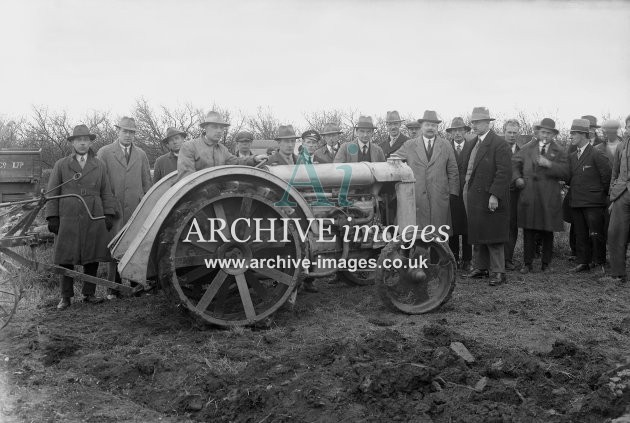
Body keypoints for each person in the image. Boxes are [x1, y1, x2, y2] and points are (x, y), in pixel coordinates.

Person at [46, 125, 117, 310]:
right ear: (72, 142)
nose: (83, 143)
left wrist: (108, 213)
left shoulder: (99, 164)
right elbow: (52, 191)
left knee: (92, 254)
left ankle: (89, 294)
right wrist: (52, 216)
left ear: (91, 142)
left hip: (93, 213)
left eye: (86, 139)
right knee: (66, 256)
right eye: (79, 140)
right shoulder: (61, 164)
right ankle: (66, 296)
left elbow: (106, 191)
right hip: (68, 214)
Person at [97, 116, 152, 298]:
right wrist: (106, 206)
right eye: (125, 131)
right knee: (115, 245)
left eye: (132, 132)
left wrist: (146, 204)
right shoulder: (105, 152)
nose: (128, 135)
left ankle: (137, 285)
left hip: (137, 208)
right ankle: (114, 287)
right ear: (117, 131)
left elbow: (146, 183)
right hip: (114, 207)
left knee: (136, 244)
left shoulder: (141, 154)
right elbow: (100, 183)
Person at [512, 118, 569, 273]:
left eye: (548, 133)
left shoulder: (560, 150)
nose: (545, 135)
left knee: (547, 230)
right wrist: (517, 178)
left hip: (549, 197)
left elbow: (566, 172)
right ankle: (527, 263)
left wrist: (549, 164)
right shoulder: (526, 148)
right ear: (538, 132)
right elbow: (514, 164)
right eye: (543, 131)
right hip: (529, 195)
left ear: (553, 134)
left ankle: (546, 264)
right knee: (528, 229)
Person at [462, 107, 511, 286]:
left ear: (488, 123)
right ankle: (481, 267)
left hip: (489, 196)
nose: (474, 125)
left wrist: (495, 195)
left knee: (493, 233)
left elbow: (504, 173)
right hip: (473, 195)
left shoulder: (499, 144)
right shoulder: (472, 143)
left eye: (478, 122)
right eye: (473, 122)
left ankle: (498, 272)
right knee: (477, 231)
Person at [395, 110, 459, 234]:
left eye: (434, 125)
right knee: (417, 236)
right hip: (416, 198)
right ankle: (419, 253)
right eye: (427, 125)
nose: (430, 128)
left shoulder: (446, 145)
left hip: (439, 198)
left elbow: (453, 170)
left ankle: (439, 253)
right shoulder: (409, 145)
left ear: (437, 128)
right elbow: (393, 162)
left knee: (439, 236)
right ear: (421, 127)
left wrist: (452, 193)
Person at [566, 118, 611, 273]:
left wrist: (600, 197)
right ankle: (583, 261)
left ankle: (599, 263)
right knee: (580, 233)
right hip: (577, 201)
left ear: (583, 135)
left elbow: (607, 178)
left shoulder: (596, 154)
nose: (570, 136)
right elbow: (569, 177)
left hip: (594, 203)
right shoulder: (572, 156)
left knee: (596, 234)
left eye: (574, 134)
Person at [177, 111, 267, 180]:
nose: (219, 131)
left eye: (221, 128)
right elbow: (187, 177)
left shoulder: (222, 149)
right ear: (205, 128)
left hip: (218, 196)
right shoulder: (189, 146)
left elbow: (237, 162)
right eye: (215, 127)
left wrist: (254, 159)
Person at [445, 117, 473, 271]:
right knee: (453, 227)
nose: (457, 133)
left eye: (460, 130)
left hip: (468, 193)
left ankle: (468, 260)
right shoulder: (446, 147)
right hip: (452, 193)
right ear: (451, 133)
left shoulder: (472, 146)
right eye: (454, 130)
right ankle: (454, 258)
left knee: (468, 226)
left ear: (465, 131)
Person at [606, 114, 630, 283]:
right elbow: (614, 173)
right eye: (629, 126)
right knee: (615, 233)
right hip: (622, 194)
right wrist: (612, 198)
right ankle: (617, 274)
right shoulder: (622, 146)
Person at [503, 119, 522, 271]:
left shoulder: (522, 152)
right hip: (497, 193)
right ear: (504, 132)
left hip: (514, 195)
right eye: (509, 132)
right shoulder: (497, 148)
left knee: (512, 226)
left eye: (515, 133)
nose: (512, 135)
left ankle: (508, 259)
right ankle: (495, 258)